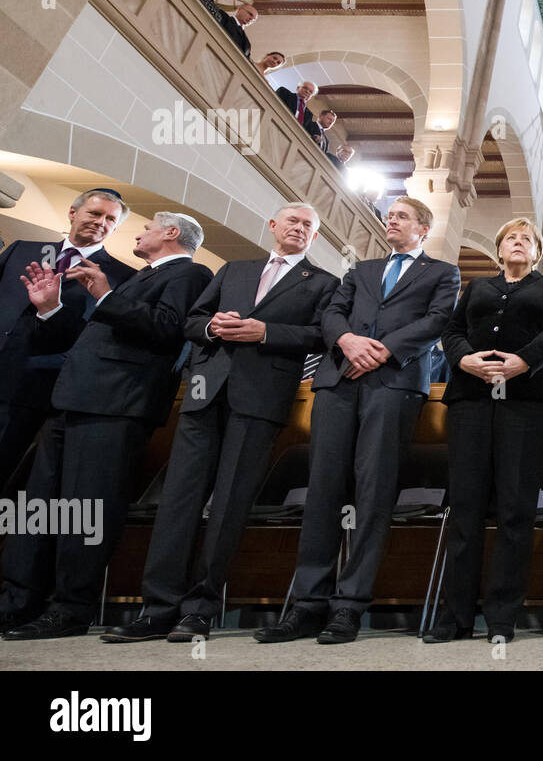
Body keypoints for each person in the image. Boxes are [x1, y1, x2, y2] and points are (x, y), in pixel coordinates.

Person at [101, 204, 340, 643]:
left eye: (309, 225)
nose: (300, 228)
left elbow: (320, 336)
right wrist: (211, 325)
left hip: (261, 399)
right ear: (273, 225)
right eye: (293, 221)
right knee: (179, 501)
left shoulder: (323, 282)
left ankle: (200, 609)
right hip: (204, 392)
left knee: (229, 505)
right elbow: (190, 320)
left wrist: (264, 331)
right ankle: (157, 609)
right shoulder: (234, 269)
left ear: (315, 236)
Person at [254, 196, 459, 645]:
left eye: (402, 216)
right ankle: (307, 605)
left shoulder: (442, 273)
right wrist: (347, 340)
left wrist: (384, 350)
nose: (392, 220)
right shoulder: (361, 270)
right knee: (323, 489)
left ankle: (348, 606)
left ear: (423, 228)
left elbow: (438, 319)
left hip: (393, 384)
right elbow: (331, 312)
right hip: (338, 383)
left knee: (374, 492)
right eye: (390, 215)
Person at [0, 214, 213, 639]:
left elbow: (169, 329)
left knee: (86, 511)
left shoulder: (191, 273)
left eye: (149, 225)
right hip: (74, 397)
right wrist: (51, 308)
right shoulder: (137, 278)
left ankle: (70, 608)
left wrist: (105, 293)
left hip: (118, 404)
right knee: (41, 508)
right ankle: (17, 603)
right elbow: (97, 332)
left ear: (171, 233)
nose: (139, 231)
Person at [428, 218, 543, 643]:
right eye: (511, 237)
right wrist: (466, 359)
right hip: (470, 400)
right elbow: (451, 332)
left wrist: (522, 361)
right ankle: (455, 617)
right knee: (466, 509)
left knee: (514, 508)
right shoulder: (477, 288)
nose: (518, 242)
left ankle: (502, 617)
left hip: (525, 403)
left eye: (526, 238)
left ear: (537, 251)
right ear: (499, 247)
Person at [0, 189, 135, 487]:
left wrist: (51, 310)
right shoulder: (22, 249)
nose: (101, 222)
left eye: (110, 219)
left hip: (30, 389)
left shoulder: (122, 278)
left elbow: (92, 338)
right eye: (95, 213)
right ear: (73, 213)